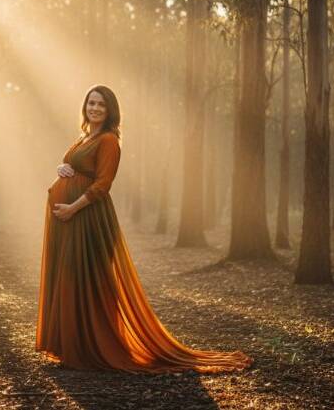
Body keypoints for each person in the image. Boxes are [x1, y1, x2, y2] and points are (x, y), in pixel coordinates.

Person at [35, 84, 251, 373]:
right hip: (70, 220)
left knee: (91, 279)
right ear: (85, 106)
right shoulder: (86, 137)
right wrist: (61, 168)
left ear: (110, 111)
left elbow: (102, 184)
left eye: (101, 104)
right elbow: (76, 167)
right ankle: (73, 345)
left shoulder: (109, 140)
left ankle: (94, 347)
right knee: (71, 278)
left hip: (88, 219)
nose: (95, 108)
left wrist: (72, 209)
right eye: (91, 103)